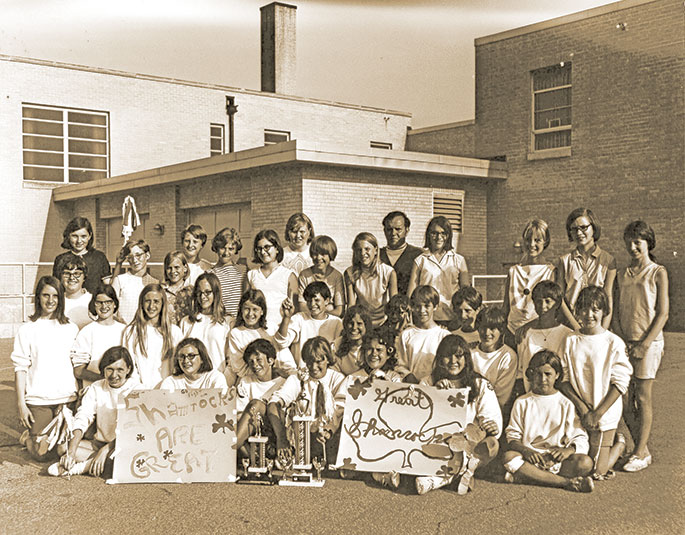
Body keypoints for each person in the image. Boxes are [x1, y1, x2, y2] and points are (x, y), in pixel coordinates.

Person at [559, 286, 632, 479]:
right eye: (584, 309)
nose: (589, 314)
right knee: (580, 464)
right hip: (579, 410)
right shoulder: (570, 340)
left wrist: (597, 413)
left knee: (594, 472)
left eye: (595, 309)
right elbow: (563, 378)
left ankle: (620, 444)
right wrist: (583, 409)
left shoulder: (613, 342)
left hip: (603, 412)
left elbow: (620, 383)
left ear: (604, 311)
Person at [614, 221, 669, 472]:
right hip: (626, 343)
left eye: (638, 241)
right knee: (624, 399)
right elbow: (617, 309)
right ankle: (642, 449)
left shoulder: (658, 272)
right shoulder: (624, 273)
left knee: (643, 397)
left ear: (648, 243)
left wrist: (644, 344)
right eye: (630, 241)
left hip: (648, 344)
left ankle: (639, 451)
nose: (633, 246)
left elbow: (663, 313)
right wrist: (621, 340)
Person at [416, 335, 501, 495]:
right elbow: (419, 418)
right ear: (440, 359)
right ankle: (455, 475)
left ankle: (443, 478)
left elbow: (490, 416)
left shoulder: (480, 384)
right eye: (447, 356)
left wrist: (492, 425)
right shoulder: (428, 382)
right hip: (439, 440)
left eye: (458, 355)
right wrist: (436, 394)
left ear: (467, 358)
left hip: (469, 443)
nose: (453, 360)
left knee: (492, 445)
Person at [503, 350, 594, 493]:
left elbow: (580, 437)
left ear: (557, 375)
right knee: (509, 457)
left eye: (548, 374)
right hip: (531, 459)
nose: (542, 379)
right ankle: (566, 482)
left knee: (585, 463)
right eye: (538, 374)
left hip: (556, 460)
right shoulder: (522, 402)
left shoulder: (565, 403)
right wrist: (527, 451)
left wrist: (566, 451)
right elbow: (513, 436)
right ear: (531, 374)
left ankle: (529, 477)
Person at [12, 276, 79, 461]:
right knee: (41, 454)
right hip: (38, 399)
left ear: (61, 298)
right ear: (38, 297)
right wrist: (21, 404)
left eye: (55, 296)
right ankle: (28, 438)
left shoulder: (71, 328)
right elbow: (20, 368)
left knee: (63, 450)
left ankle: (49, 437)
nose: (50, 301)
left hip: (66, 399)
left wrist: (78, 395)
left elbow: (77, 365)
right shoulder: (27, 329)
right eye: (45, 295)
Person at [48, 346, 140, 477]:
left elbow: (133, 428)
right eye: (109, 369)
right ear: (103, 370)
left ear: (128, 369)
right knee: (63, 449)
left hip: (123, 445)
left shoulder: (137, 389)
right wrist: (72, 452)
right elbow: (83, 417)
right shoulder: (96, 387)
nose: (114, 375)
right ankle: (99, 462)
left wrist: (106, 449)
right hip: (99, 443)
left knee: (122, 460)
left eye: (120, 370)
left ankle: (80, 468)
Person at [268, 336, 348, 463]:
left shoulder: (338, 379)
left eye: (319, 361)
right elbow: (274, 404)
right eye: (309, 361)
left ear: (328, 359)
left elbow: (340, 410)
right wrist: (281, 438)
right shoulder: (297, 378)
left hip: (329, 435)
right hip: (303, 436)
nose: (314, 367)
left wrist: (328, 431)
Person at [556, 208, 616, 331]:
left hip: (598, 327)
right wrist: (575, 326)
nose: (579, 233)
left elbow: (608, 297)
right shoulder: (564, 261)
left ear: (593, 228)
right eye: (574, 229)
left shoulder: (608, 261)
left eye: (583, 227)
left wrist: (602, 332)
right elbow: (560, 298)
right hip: (570, 327)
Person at [502, 219, 555, 346]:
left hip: (537, 334)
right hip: (511, 334)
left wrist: (528, 326)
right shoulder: (514, 271)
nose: (531, 244)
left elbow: (552, 310)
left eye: (537, 240)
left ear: (546, 242)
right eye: (528, 239)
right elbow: (506, 307)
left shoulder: (550, 271)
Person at [408, 216, 469, 326]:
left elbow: (465, 292)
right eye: (434, 233)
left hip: (452, 318)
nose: (438, 237)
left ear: (448, 235)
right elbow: (411, 294)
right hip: (426, 318)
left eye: (443, 233)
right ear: (428, 235)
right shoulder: (420, 260)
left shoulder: (459, 260)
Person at [226, 290, 297, 384]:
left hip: (279, 379)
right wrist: (271, 372)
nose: (250, 314)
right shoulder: (237, 333)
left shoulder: (271, 328)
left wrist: (286, 318)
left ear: (262, 311)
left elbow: (283, 345)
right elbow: (240, 368)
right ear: (241, 310)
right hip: (253, 383)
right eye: (247, 309)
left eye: (255, 309)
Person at [123, 283, 183, 388]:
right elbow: (129, 365)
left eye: (156, 301)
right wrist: (139, 389)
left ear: (163, 304)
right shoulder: (131, 331)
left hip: (169, 392)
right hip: (141, 392)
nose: (151, 306)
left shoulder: (174, 331)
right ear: (141, 303)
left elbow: (179, 365)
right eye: (147, 301)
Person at [516, 281, 572, 393]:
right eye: (538, 301)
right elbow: (521, 372)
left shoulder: (568, 335)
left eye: (548, 301)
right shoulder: (525, 334)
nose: (542, 306)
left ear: (557, 304)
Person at [234, 339, 287, 454]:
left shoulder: (283, 382)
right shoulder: (246, 382)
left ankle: (227, 450)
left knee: (257, 405)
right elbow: (239, 415)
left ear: (270, 360)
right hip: (251, 432)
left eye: (259, 360)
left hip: (276, 431)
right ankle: (251, 458)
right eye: (251, 362)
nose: (255, 365)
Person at [275, 281, 343, 367]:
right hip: (302, 372)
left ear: (327, 301)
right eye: (309, 301)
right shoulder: (299, 318)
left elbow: (337, 354)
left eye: (317, 300)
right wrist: (286, 317)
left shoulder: (336, 322)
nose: (312, 304)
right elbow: (282, 342)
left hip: (326, 372)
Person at [71, 284, 127, 388]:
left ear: (115, 304)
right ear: (94, 304)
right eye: (99, 303)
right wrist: (106, 380)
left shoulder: (125, 330)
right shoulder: (87, 332)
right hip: (95, 392)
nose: (104, 306)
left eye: (108, 302)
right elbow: (78, 371)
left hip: (121, 392)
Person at [246, 229, 298, 335]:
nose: (263, 252)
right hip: (255, 331)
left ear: (277, 249)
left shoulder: (288, 275)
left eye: (267, 247)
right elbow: (245, 305)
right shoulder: (251, 275)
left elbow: (295, 312)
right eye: (259, 248)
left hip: (279, 331)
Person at [396, 286, 449, 384]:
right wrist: (408, 375)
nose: (421, 310)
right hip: (412, 388)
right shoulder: (406, 334)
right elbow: (400, 364)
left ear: (435, 306)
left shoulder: (444, 336)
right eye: (417, 306)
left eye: (427, 306)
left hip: (435, 388)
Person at [180, 272, 230, 373]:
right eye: (199, 292)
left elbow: (231, 361)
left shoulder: (227, 322)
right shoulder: (186, 322)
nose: (203, 297)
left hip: (217, 380)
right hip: (192, 381)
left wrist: (223, 382)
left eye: (207, 292)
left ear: (215, 293)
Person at [344, 232, 397, 327]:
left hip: (383, 322)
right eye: (359, 250)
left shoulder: (388, 272)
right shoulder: (350, 273)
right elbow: (351, 305)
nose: (363, 253)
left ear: (376, 250)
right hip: (361, 322)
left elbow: (394, 305)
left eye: (367, 249)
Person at [470, 306, 517, 409]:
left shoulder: (508, 356)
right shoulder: (470, 353)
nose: (487, 333)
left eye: (492, 328)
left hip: (492, 412)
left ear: (501, 330)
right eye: (483, 327)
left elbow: (501, 398)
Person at [53, 217, 110, 294]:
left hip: (93, 303)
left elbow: (108, 284)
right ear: (68, 236)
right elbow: (56, 287)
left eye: (83, 236)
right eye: (75, 236)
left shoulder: (99, 257)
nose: (79, 241)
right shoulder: (60, 259)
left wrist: (118, 264)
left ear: (89, 236)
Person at [111, 239, 159, 324]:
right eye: (130, 257)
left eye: (138, 255)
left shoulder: (154, 282)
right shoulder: (120, 280)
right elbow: (111, 308)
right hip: (124, 328)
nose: (135, 260)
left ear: (147, 255)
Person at [297, 235, 345, 317]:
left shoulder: (337, 276)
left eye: (323, 254)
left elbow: (339, 311)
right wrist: (327, 309)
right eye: (315, 254)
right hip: (308, 320)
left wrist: (321, 314)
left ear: (330, 255)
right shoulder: (305, 275)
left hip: (329, 321)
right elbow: (302, 307)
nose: (318, 258)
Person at [159, 338, 228, 391]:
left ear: (202, 358)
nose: (186, 361)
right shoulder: (171, 382)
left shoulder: (215, 378)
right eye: (182, 356)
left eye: (191, 356)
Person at [380, 211, 423, 296]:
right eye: (389, 229)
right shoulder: (377, 255)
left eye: (398, 229)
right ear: (384, 231)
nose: (393, 233)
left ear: (406, 230)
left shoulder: (418, 255)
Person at [210, 227, 247, 319]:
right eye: (223, 248)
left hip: (240, 321)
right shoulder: (210, 274)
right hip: (220, 321)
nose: (226, 252)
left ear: (235, 250)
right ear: (216, 248)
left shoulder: (243, 270)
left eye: (231, 249)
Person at [332, 305, 373, 376]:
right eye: (351, 323)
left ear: (366, 326)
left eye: (359, 324)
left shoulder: (372, 345)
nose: (354, 327)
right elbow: (333, 373)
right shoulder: (337, 345)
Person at [56, 253, 93, 329]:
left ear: (84, 277)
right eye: (67, 273)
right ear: (61, 277)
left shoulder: (93, 300)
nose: (72, 277)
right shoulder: (55, 302)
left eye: (77, 273)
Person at [161, 250, 192, 326]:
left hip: (186, 332)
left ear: (185, 268)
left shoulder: (191, 291)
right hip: (167, 332)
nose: (173, 271)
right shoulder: (161, 291)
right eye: (169, 268)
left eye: (176, 267)